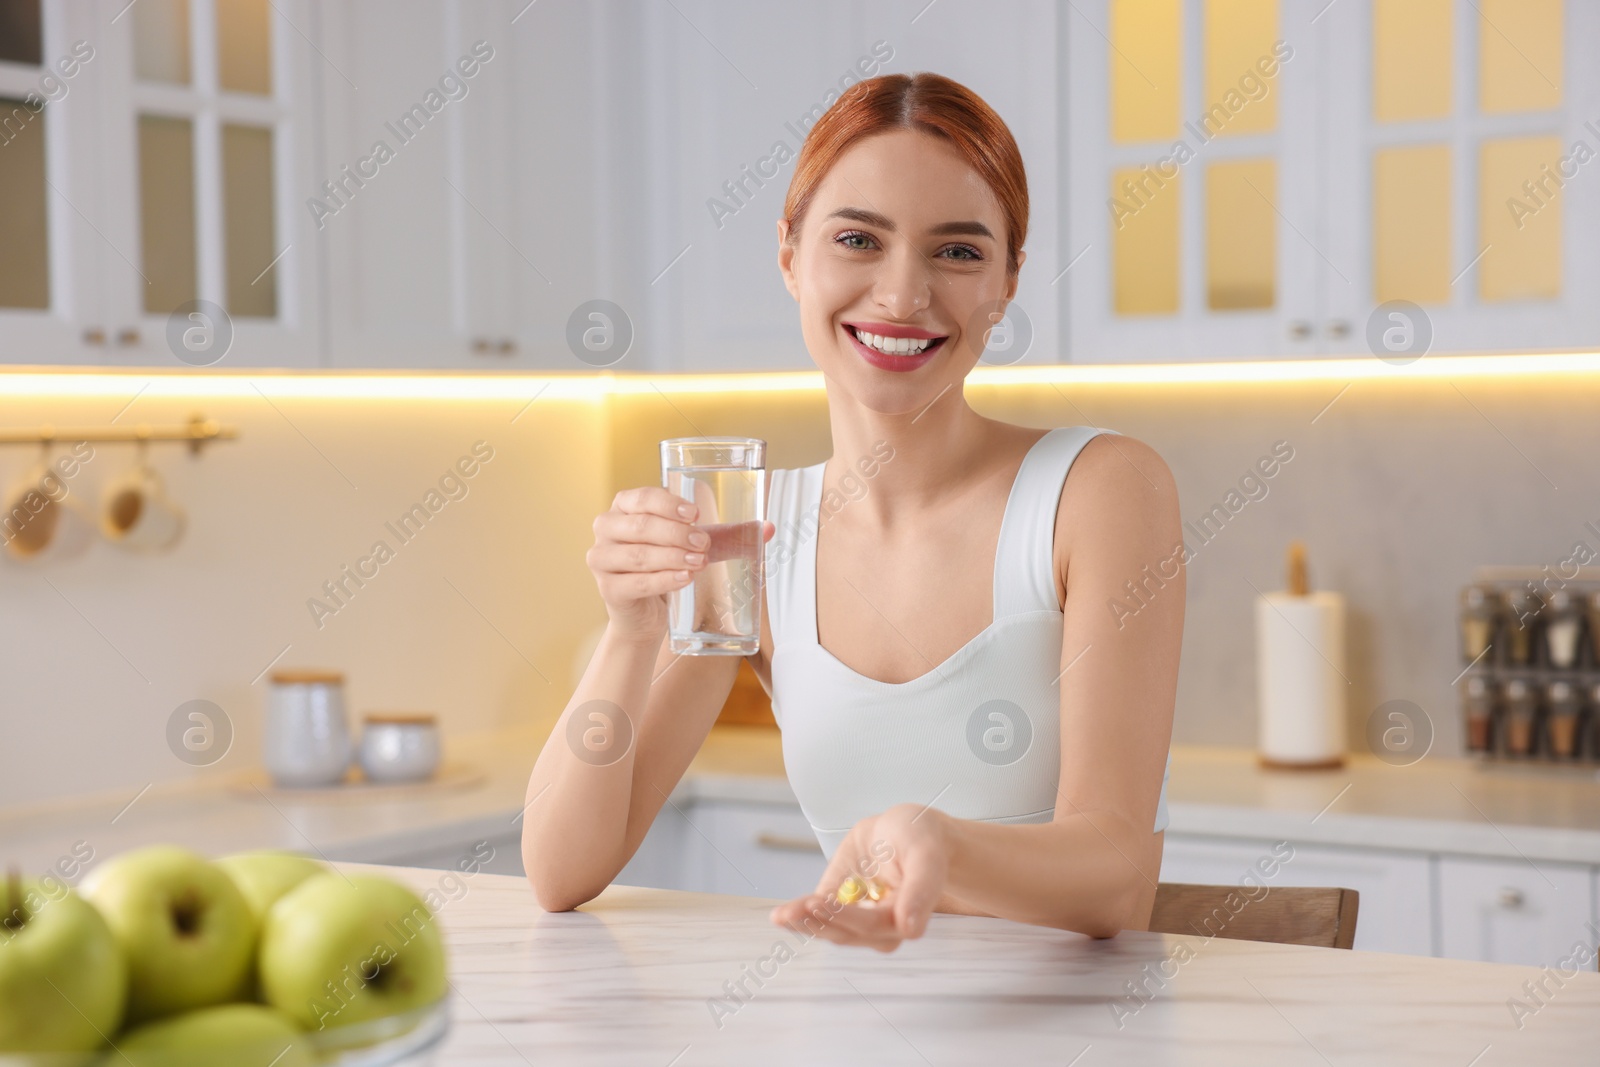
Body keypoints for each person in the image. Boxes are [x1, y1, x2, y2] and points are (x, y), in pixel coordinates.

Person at [521, 72, 1183, 954]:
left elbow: (1119, 877)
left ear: (1009, 280)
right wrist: (631, 632)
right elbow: (561, 871)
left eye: (958, 251)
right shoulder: (749, 534)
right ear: (791, 256)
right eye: (858, 239)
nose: (903, 295)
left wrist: (941, 844)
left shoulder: (1098, 491)